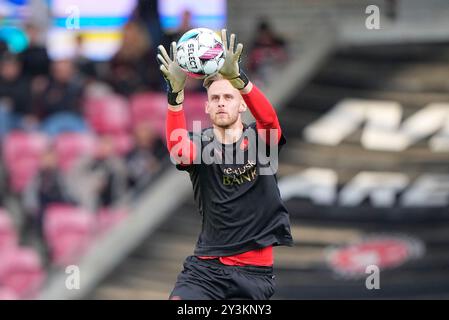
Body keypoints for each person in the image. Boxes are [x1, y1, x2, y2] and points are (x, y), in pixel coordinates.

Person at [157, 29, 293, 300]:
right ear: (206, 107)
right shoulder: (201, 145)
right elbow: (178, 149)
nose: (221, 103)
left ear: (242, 104)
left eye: (228, 97)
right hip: (205, 271)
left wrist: (240, 80)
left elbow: (270, 121)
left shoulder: (260, 139)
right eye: (215, 99)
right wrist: (175, 95)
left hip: (255, 276)